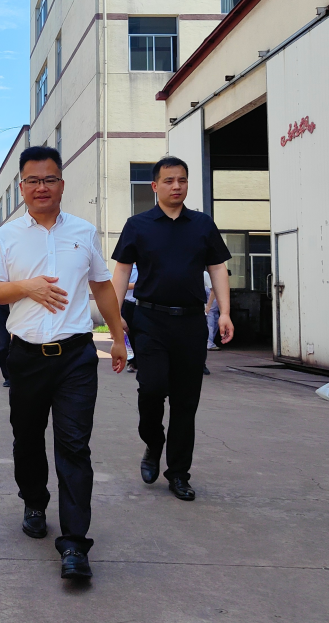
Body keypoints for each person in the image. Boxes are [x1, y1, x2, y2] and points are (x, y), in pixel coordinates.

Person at [0, 145, 127, 581]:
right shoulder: (6, 237)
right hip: (26, 356)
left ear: (62, 184)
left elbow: (102, 287)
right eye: (33, 180)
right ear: (21, 188)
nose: (41, 187)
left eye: (49, 179)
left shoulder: (84, 232)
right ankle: (33, 500)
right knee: (27, 439)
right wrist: (27, 287)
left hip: (75, 358)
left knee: (74, 446)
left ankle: (75, 544)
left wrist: (118, 338)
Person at [110, 156, 234, 503]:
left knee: (185, 402)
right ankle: (153, 443)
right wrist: (114, 315)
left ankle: (178, 473)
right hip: (150, 320)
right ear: (155, 186)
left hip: (191, 323)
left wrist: (224, 312)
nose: (176, 186)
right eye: (168, 180)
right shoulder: (138, 225)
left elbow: (217, 268)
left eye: (182, 180)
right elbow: (122, 271)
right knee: (151, 388)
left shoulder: (202, 224)